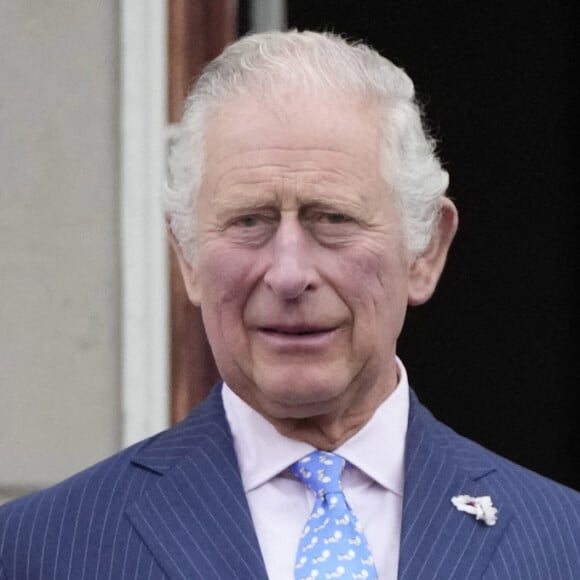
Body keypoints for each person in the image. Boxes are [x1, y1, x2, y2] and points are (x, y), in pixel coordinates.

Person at [1, 30, 578, 580]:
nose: (290, 274)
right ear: (188, 258)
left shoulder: (561, 541)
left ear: (424, 250)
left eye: (332, 218)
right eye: (249, 221)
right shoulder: (36, 549)